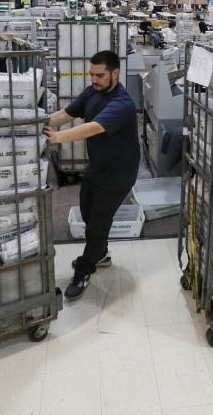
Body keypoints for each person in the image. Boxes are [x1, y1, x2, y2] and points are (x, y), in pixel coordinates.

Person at [43, 51, 140, 301]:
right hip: (97, 167)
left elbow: (94, 127)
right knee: (87, 211)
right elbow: (67, 113)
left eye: (100, 75)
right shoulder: (92, 92)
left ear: (115, 74)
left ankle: (85, 270)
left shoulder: (122, 103)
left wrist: (58, 137)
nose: (95, 80)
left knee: (97, 223)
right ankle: (102, 253)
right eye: (92, 75)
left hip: (119, 173)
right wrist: (40, 123)